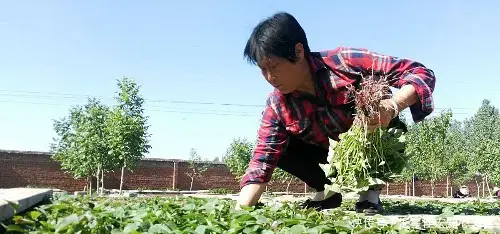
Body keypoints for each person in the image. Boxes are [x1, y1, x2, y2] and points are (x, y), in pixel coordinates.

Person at [236, 12, 436, 214]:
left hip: (368, 141)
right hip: (329, 159)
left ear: (298, 52)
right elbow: (262, 161)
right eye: (263, 69)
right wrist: (241, 212)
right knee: (280, 148)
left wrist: (392, 106)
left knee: (375, 100)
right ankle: (327, 192)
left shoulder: (344, 62)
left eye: (274, 66)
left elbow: (421, 73)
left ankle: (369, 194)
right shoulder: (277, 104)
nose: (270, 77)